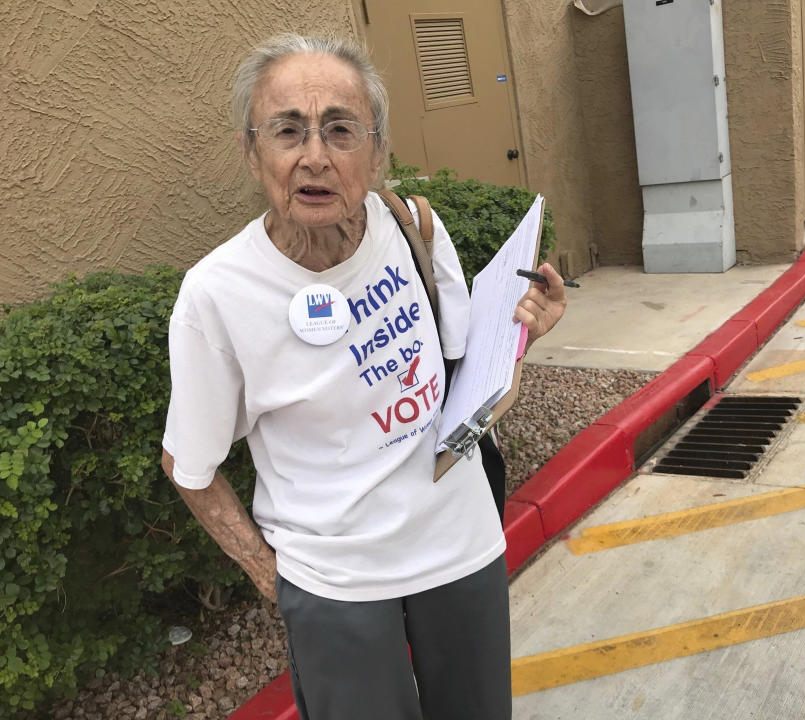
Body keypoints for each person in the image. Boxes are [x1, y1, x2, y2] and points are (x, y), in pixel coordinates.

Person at [160, 32, 566, 720]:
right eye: (287, 130)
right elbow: (188, 464)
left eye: (340, 130)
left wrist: (525, 331)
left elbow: (470, 379)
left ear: (377, 153)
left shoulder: (414, 227)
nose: (314, 156)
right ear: (252, 151)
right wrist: (273, 575)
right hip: (336, 582)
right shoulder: (216, 296)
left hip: (460, 546)